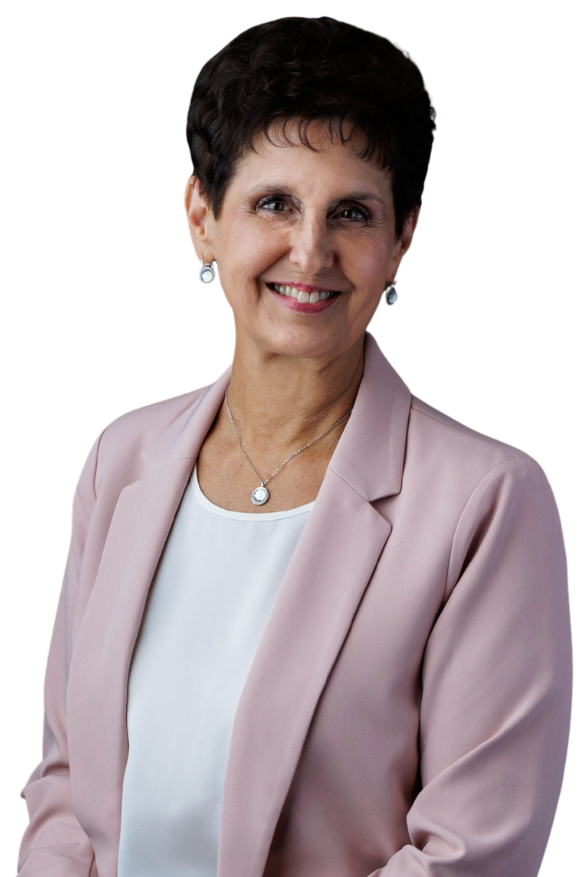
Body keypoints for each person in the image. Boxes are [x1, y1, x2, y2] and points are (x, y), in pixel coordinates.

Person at [16, 16, 572, 877]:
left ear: (403, 241)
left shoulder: (488, 500)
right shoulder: (119, 460)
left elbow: (472, 857)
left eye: (352, 212)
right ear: (203, 217)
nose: (310, 253)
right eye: (274, 202)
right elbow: (63, 789)